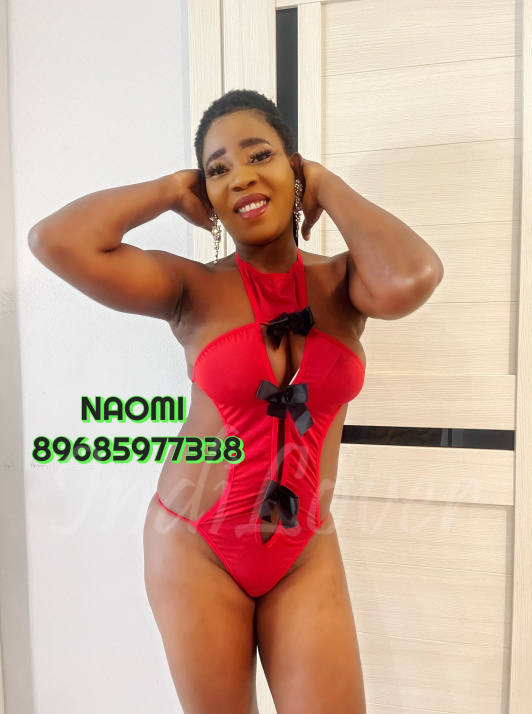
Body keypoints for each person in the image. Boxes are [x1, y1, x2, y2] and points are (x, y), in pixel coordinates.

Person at [28, 89, 443, 714]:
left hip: (304, 550)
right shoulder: (190, 287)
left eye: (259, 155)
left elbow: (414, 276)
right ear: (209, 194)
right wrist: (171, 188)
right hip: (196, 546)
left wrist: (325, 186)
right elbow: (55, 241)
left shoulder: (344, 283)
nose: (241, 176)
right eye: (218, 169)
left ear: (292, 167)